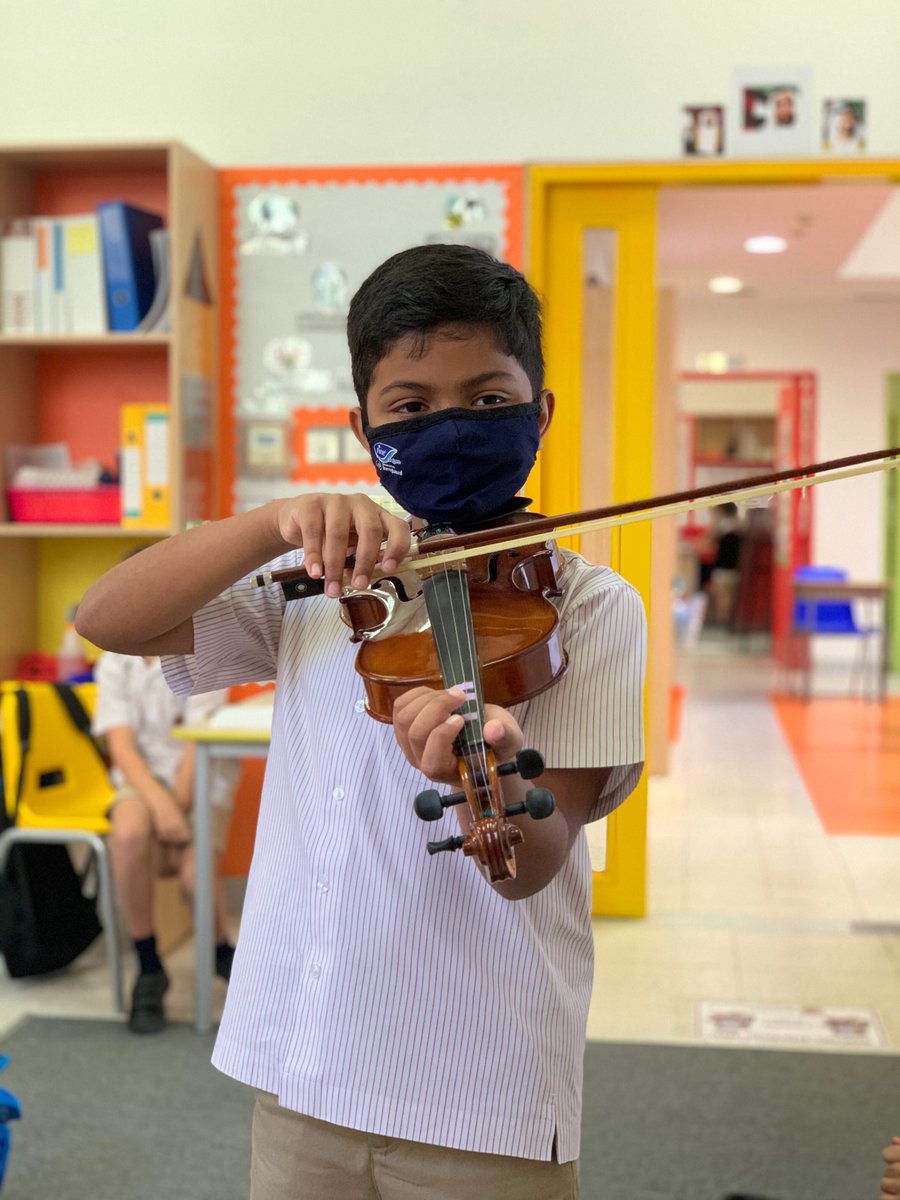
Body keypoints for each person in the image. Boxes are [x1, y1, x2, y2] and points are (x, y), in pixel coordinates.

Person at [76, 244, 647, 1198]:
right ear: (366, 429)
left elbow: (534, 863)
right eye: (412, 407)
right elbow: (105, 618)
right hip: (305, 1060)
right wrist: (273, 525)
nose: (453, 425)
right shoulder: (321, 578)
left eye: (489, 398)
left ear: (540, 411)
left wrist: (497, 776)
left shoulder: (588, 606)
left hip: (481, 1086)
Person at [92, 651, 237, 1034]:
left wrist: (177, 807)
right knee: (127, 834)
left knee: (194, 877)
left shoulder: (203, 648)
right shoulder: (113, 662)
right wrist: (161, 807)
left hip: (201, 779)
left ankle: (221, 952)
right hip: (141, 782)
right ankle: (149, 966)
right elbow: (121, 747)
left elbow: (196, 746)